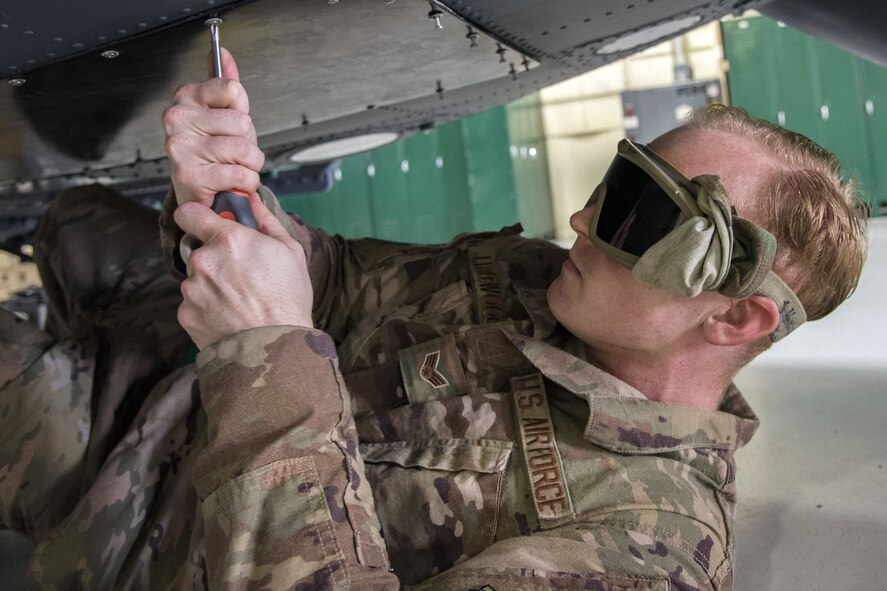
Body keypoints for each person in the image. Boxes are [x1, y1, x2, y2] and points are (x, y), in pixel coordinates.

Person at [0, 48, 867, 590]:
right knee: (76, 215)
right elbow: (337, 282)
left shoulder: (643, 551)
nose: (577, 222)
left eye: (635, 217)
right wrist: (230, 198)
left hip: (136, 509)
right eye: (615, 184)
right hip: (180, 360)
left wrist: (259, 351)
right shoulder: (548, 283)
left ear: (736, 317)